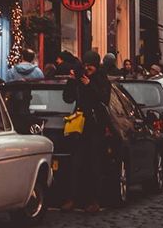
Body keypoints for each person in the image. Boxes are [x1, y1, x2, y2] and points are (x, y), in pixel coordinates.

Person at [62, 50, 111, 213]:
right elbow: (67, 98)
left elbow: (103, 100)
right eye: (86, 64)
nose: (87, 67)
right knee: (76, 163)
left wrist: (89, 85)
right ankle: (73, 198)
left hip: (95, 126)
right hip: (80, 125)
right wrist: (71, 81)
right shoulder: (78, 77)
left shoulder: (102, 80)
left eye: (91, 65)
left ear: (96, 66)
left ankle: (94, 200)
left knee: (94, 164)